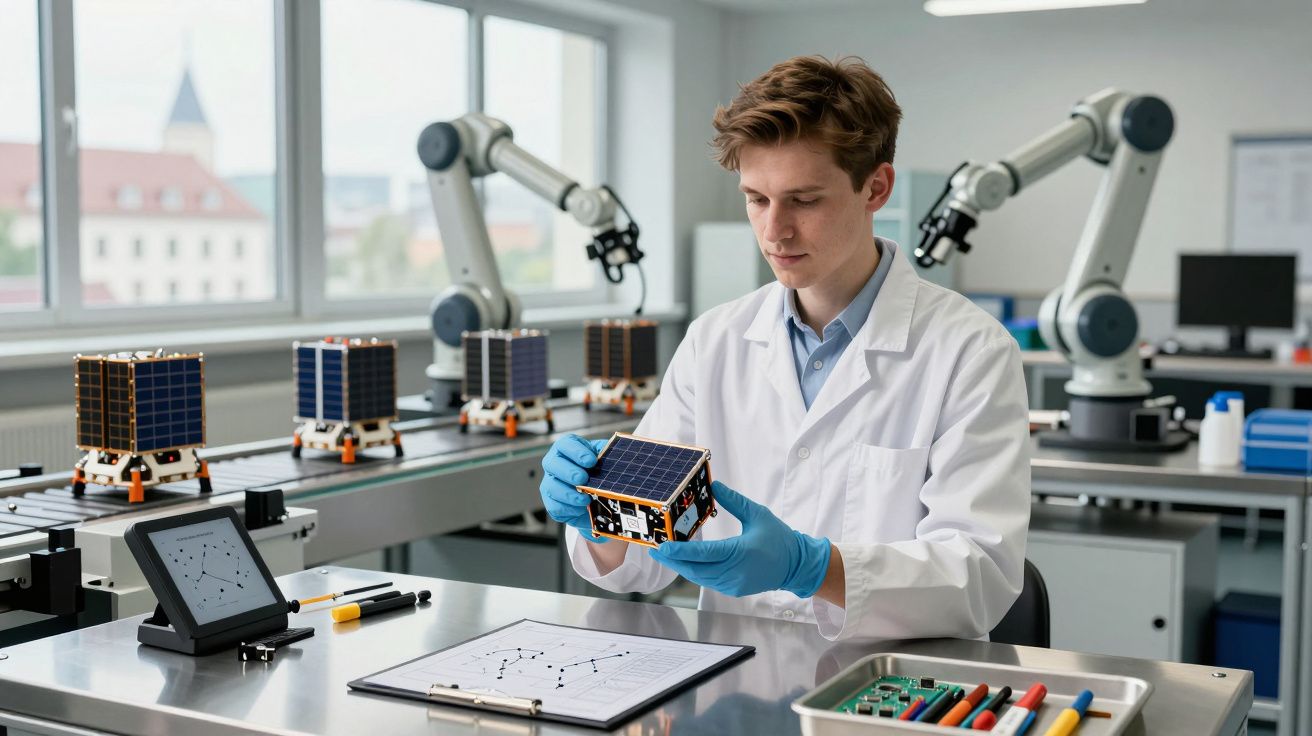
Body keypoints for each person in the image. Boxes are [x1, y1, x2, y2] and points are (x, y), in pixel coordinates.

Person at [540, 55, 1030, 641]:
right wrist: (603, 516)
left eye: (804, 200)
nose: (775, 231)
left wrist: (814, 568)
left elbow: (980, 577)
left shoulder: (969, 350)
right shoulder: (714, 341)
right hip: (732, 682)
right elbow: (644, 556)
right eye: (756, 199)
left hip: (885, 691)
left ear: (875, 187)